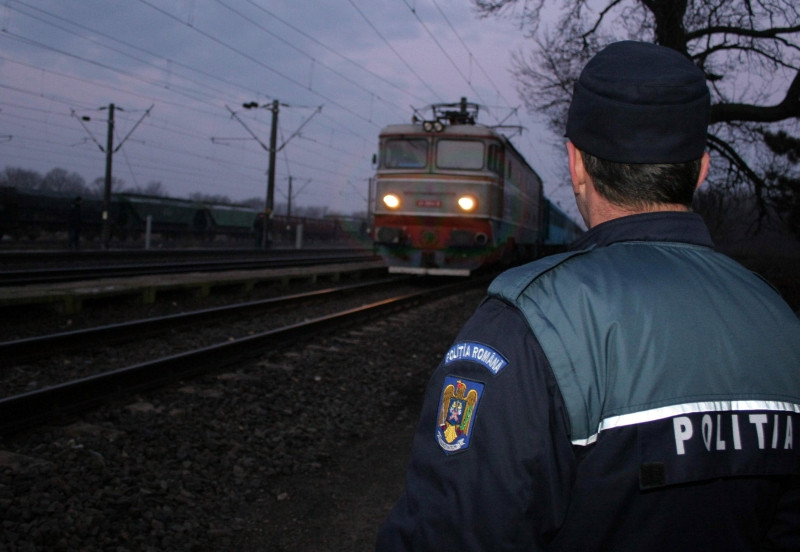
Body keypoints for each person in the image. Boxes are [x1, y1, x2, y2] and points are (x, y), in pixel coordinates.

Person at [376, 41, 800, 551]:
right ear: (702, 170)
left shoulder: (527, 325)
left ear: (576, 165)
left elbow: (453, 531)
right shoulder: (781, 320)